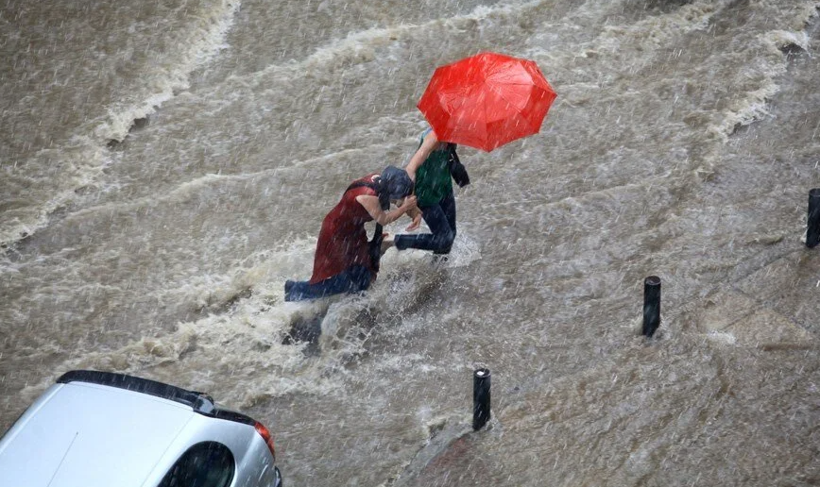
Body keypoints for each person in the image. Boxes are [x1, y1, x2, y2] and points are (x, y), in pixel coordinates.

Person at [285, 166, 417, 301]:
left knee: (363, 271)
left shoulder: (382, 182)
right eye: (397, 198)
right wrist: (405, 208)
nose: (398, 202)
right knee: (343, 279)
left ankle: (355, 300)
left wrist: (414, 213)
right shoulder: (367, 195)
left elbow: (401, 202)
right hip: (336, 234)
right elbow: (384, 219)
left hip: (353, 229)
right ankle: (295, 290)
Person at [384, 127, 469, 256]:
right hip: (425, 194)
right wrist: (411, 205)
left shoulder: (451, 135)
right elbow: (410, 169)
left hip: (444, 187)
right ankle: (391, 241)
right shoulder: (433, 138)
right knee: (444, 239)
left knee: (450, 235)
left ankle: (438, 271)